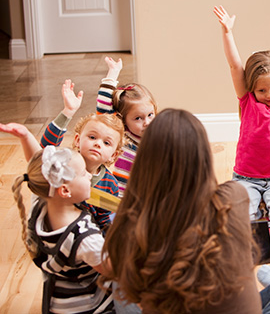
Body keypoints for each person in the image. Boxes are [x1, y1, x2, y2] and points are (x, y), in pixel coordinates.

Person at [101, 108, 270, 314]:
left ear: (144, 164)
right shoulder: (233, 197)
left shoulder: (128, 227)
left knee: (119, 282)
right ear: (202, 159)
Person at [213, 5, 270, 227]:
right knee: (239, 221)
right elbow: (235, 66)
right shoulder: (248, 101)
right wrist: (227, 32)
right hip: (246, 177)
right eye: (262, 90)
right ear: (251, 89)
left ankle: (265, 207)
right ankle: (256, 208)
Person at [9, 79, 125, 232]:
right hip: (53, 227)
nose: (98, 144)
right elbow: (44, 150)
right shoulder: (64, 161)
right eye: (92, 137)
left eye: (107, 143)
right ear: (77, 140)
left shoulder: (109, 185)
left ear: (113, 155)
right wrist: (68, 112)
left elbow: (104, 219)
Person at [12, 146, 114, 313]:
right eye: (83, 174)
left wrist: (24, 136)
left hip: (58, 298)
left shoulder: (40, 205)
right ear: (65, 190)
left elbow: (40, 169)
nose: (90, 176)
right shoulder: (86, 239)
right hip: (88, 304)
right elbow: (114, 270)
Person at [97, 56, 158, 196]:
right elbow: (103, 107)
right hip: (123, 198)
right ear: (123, 120)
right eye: (138, 118)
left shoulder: (159, 135)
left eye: (150, 115)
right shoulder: (122, 136)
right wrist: (113, 73)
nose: (147, 122)